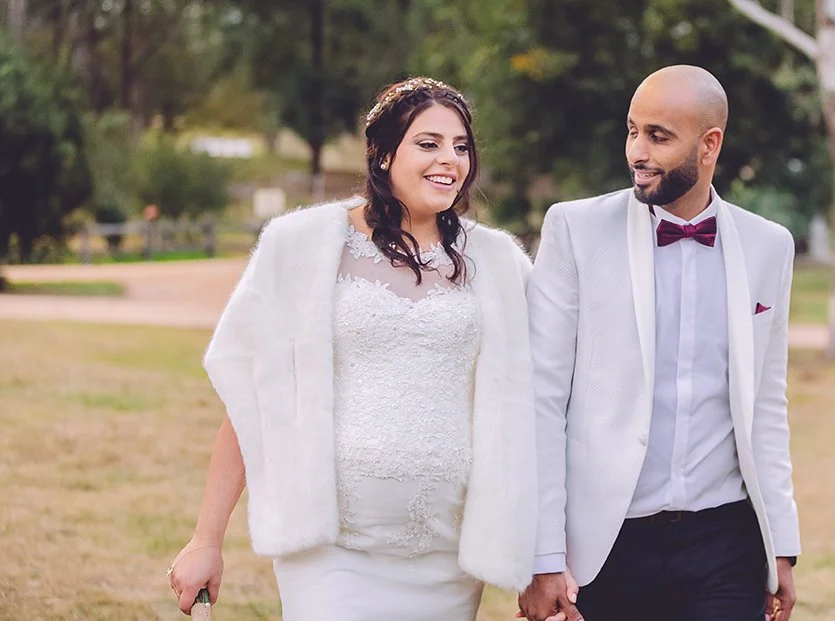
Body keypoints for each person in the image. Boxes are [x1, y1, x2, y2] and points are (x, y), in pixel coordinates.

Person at [166, 77, 539, 621]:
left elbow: (543, 401)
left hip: (447, 558)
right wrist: (206, 538)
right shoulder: (301, 246)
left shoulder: (500, 263)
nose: (450, 160)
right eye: (428, 143)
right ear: (383, 153)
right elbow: (255, 400)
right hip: (330, 549)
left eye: (461, 146)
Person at [520, 65, 801, 621]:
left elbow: (766, 403)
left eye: (658, 136)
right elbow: (541, 401)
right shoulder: (575, 231)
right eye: (632, 130)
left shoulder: (770, 246)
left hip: (727, 543)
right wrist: (543, 556)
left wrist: (782, 548)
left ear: (709, 144)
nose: (637, 151)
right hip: (605, 545)